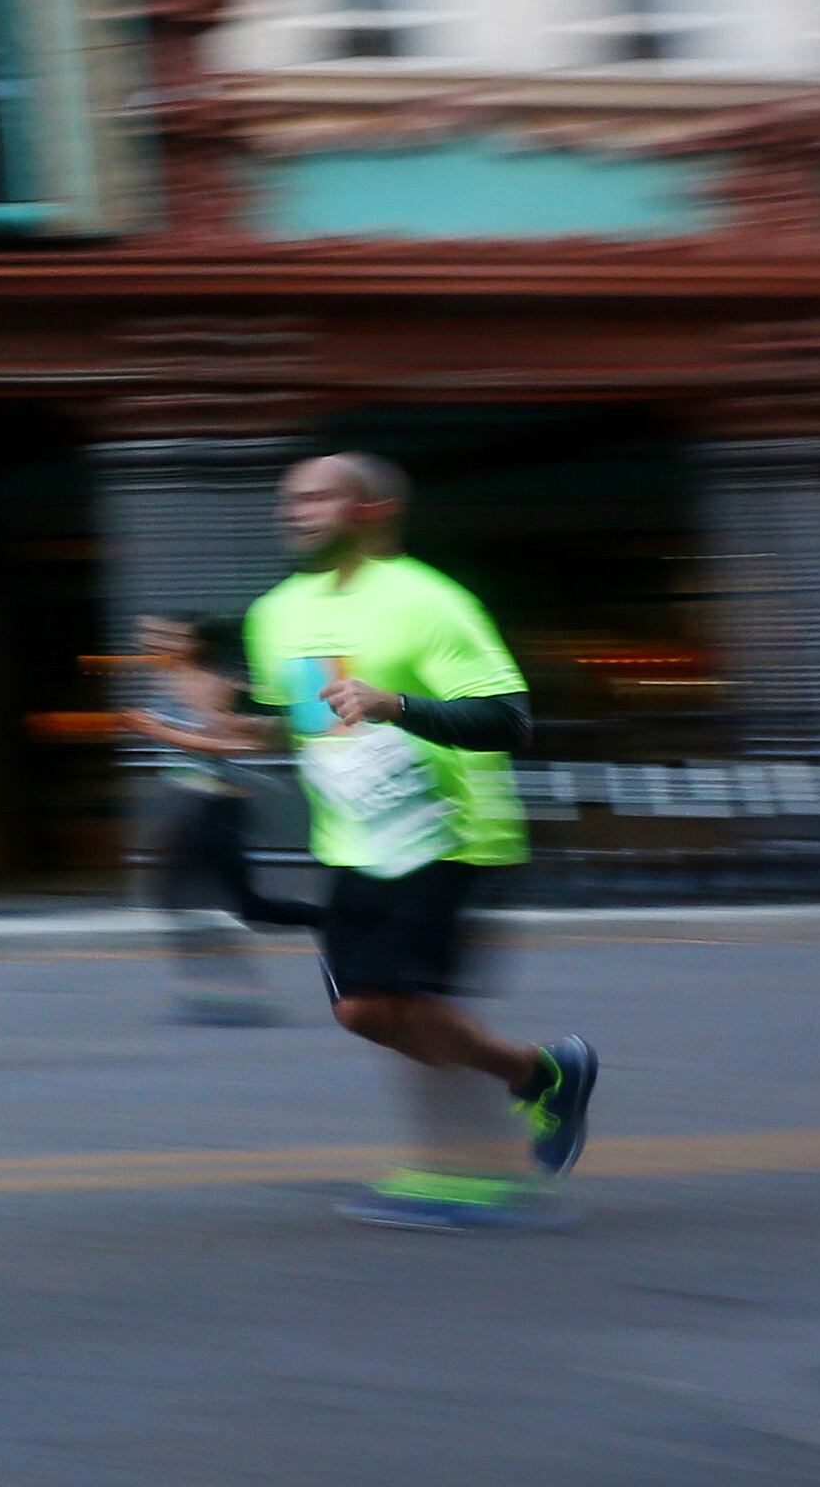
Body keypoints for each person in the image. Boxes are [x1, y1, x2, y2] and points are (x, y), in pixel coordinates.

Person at [238, 452, 598, 1230]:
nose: (293, 510)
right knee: (362, 1013)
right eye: (287, 499)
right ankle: (542, 1074)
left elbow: (508, 719)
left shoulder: (429, 602)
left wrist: (396, 702)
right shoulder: (273, 612)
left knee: (399, 999)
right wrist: (241, 733)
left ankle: (473, 1173)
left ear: (370, 511)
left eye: (316, 497)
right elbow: (308, 719)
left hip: (449, 833)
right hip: (353, 841)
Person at [120, 613, 321, 1023]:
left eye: (165, 633)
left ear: (190, 643)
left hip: (217, 806)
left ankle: (334, 920)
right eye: (149, 633)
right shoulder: (167, 682)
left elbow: (234, 745)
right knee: (170, 899)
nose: (152, 640)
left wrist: (160, 731)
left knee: (248, 907)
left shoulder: (208, 683)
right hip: (187, 803)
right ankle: (217, 990)